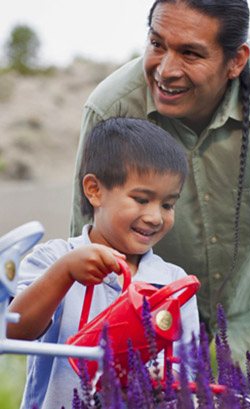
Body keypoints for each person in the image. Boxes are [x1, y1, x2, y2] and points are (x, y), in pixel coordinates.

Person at [71, 0, 250, 389]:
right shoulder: (112, 111)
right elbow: (88, 256)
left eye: (190, 53)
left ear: (236, 61)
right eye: (156, 43)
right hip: (157, 348)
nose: (165, 70)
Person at [7, 117, 200, 409]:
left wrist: (162, 376)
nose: (155, 217)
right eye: (141, 199)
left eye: (167, 204)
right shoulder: (53, 259)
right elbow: (14, 330)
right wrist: (65, 273)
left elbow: (185, 366)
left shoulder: (173, 283)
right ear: (94, 190)